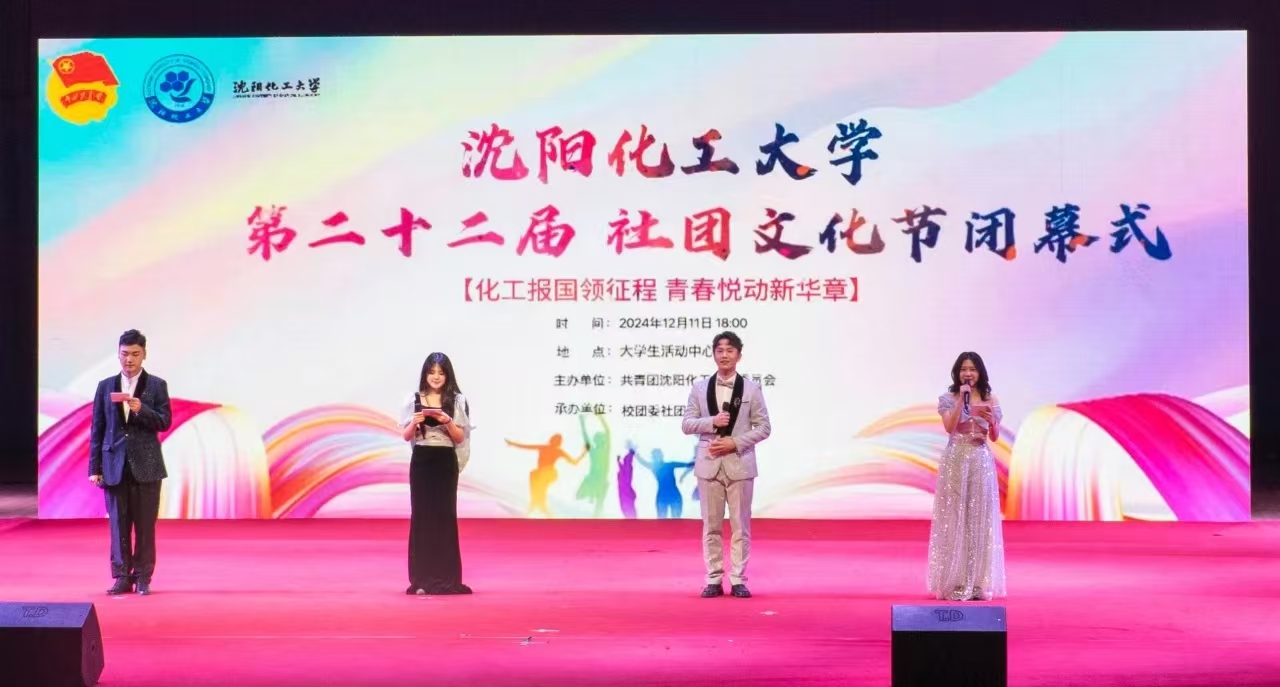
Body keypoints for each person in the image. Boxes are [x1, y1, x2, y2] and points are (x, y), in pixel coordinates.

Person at [681, 331, 771, 599]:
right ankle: (713, 578)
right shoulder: (699, 388)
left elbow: (764, 427)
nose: (724, 355)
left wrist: (735, 442)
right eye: (719, 350)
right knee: (711, 526)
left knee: (740, 525)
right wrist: (711, 422)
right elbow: (687, 424)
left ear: (739, 356)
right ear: (713, 354)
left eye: (730, 350)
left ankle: (739, 579)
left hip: (740, 464)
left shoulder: (751, 389)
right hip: (709, 464)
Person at [88, 329, 172, 596]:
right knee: (118, 525)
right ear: (118, 354)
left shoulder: (156, 385)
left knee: (145, 526)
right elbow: (98, 428)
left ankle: (143, 577)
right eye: (125, 354)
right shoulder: (105, 386)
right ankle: (122, 576)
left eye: (135, 354)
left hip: (146, 466)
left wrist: (142, 409)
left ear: (144, 355)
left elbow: (165, 422)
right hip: (114, 465)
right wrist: (95, 468)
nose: (129, 359)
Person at [927, 351, 1007, 601]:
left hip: (980, 458)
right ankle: (957, 579)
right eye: (963, 369)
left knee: (979, 519)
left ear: (980, 372)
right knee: (956, 518)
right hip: (956, 459)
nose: (968, 373)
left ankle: (978, 582)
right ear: (957, 373)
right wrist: (962, 401)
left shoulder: (990, 398)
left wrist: (992, 421)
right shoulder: (949, 398)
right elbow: (949, 427)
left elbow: (994, 437)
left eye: (972, 369)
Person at [400, 352, 472, 595]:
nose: (436, 377)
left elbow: (460, 438)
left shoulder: (457, 400)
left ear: (448, 375)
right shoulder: (413, 399)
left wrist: (447, 421)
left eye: (441, 373)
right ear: (425, 374)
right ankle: (421, 580)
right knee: (422, 517)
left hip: (445, 461)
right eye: (432, 372)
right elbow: (406, 436)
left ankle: (446, 579)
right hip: (422, 460)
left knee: (444, 517)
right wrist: (414, 422)